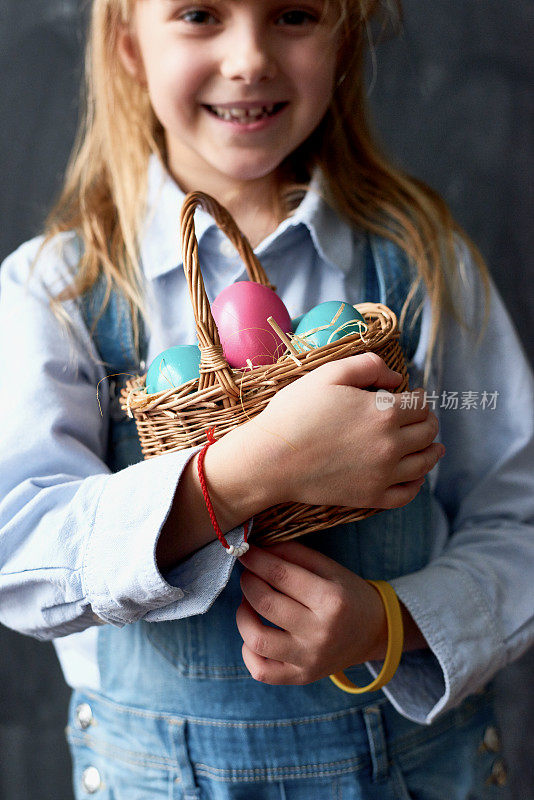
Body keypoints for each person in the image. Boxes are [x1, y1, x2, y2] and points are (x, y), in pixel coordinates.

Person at [0, 0, 532, 797]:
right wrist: (255, 469)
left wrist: (386, 625)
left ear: (343, 34)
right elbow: (18, 552)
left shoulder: (421, 267)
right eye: (200, 14)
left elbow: (517, 520)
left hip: (414, 772)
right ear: (128, 44)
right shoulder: (61, 289)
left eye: (292, 14)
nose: (249, 57)